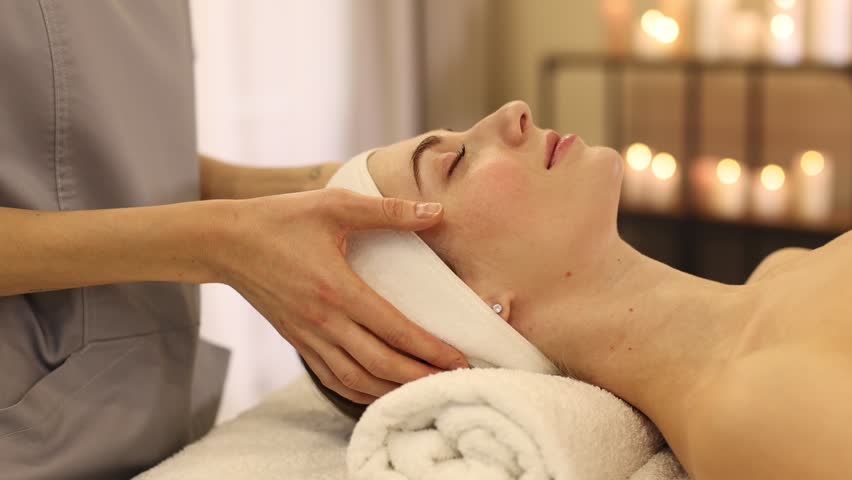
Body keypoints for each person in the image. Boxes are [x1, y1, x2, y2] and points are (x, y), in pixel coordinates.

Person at [0, 2, 466, 479]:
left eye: (456, 165)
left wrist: (331, 185)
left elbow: (105, 152)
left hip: (139, 419)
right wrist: (223, 240)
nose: (514, 114)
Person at [309, 100, 852, 479]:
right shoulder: (752, 415)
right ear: (469, 309)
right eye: (454, 162)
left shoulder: (782, 271)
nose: (514, 112)